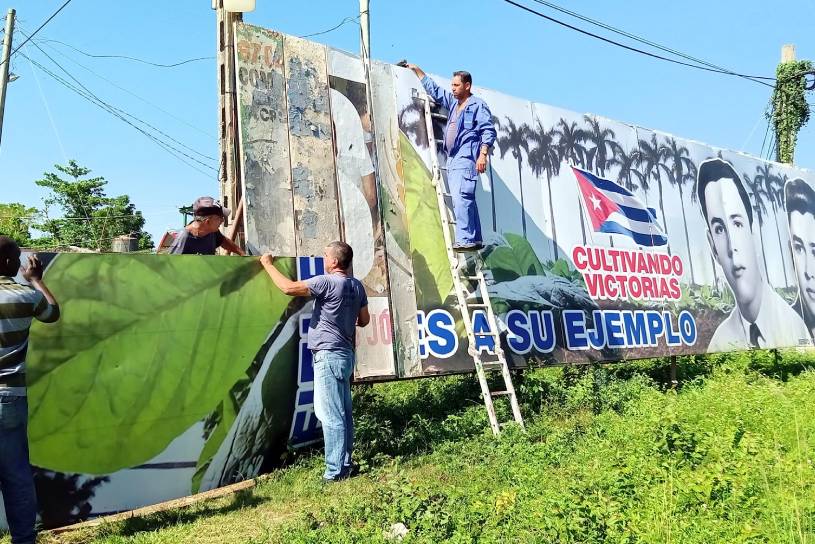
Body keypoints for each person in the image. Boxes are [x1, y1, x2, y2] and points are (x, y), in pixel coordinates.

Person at [260, 241, 370, 481]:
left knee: (330, 415)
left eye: (325, 256)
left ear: (334, 261)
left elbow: (288, 288)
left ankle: (334, 472)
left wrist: (266, 264)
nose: (323, 259)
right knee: (344, 413)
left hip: (328, 356)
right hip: (345, 354)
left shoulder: (326, 282)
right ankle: (345, 464)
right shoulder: (356, 285)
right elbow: (364, 321)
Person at [696, 159, 810, 351]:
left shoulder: (795, 330)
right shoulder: (719, 344)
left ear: (753, 232)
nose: (732, 247)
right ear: (713, 247)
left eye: (737, 224)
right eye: (719, 229)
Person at [0, 236, 61, 544]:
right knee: (15, 474)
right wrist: (36, 279)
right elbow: (52, 313)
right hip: (10, 396)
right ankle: (23, 540)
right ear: (12, 264)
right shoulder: (24, 296)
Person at [403, 63, 497, 251]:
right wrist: (417, 70)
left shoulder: (477, 105)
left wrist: (483, 154)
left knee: (462, 197)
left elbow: (488, 130)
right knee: (465, 197)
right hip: (453, 157)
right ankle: (474, 238)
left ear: (467, 86)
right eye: (452, 85)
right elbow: (435, 91)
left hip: (466, 156)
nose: (452, 89)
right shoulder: (454, 103)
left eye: (456, 85)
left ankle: (466, 239)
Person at [784, 177, 815, 339]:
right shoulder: (784, 326)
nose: (809, 272)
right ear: (791, 253)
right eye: (799, 248)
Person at [168, 196, 245, 255]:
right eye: (220, 218)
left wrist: (243, 254)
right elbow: (173, 268)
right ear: (207, 222)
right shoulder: (183, 239)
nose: (222, 221)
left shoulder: (212, 231)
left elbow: (223, 241)